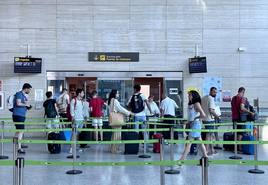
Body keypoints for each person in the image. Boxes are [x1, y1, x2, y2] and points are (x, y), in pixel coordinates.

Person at [179, 90, 208, 160]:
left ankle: (182, 159)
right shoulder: (190, 105)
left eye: (190, 95)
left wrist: (196, 118)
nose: (188, 96)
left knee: (189, 143)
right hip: (192, 124)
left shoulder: (196, 104)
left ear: (194, 96)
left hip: (196, 125)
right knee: (200, 142)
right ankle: (205, 157)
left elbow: (203, 115)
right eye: (188, 95)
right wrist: (186, 122)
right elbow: (190, 117)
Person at [108, 89, 133, 153]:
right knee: (117, 135)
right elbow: (120, 109)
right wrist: (128, 113)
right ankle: (115, 149)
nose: (118, 94)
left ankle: (112, 148)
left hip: (112, 119)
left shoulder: (111, 100)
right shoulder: (115, 101)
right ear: (114, 94)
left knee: (114, 134)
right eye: (117, 93)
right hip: (116, 120)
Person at [12, 83, 32, 154]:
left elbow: (23, 104)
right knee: (21, 130)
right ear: (26, 88)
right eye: (29, 89)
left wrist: (27, 107)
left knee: (18, 131)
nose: (29, 91)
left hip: (21, 115)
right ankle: (19, 148)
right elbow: (18, 103)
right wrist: (26, 104)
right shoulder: (19, 94)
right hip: (18, 115)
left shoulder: (24, 95)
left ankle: (16, 144)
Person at [201, 87, 220, 155]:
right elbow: (211, 110)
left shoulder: (203, 98)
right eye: (214, 92)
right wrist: (217, 117)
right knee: (208, 135)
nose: (215, 93)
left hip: (204, 119)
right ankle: (206, 151)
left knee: (210, 135)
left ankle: (212, 149)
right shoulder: (211, 99)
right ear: (210, 91)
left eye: (216, 92)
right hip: (209, 119)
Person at [69, 89, 89, 154]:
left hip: (81, 120)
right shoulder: (73, 100)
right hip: (76, 120)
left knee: (77, 134)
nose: (83, 94)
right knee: (73, 134)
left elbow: (82, 110)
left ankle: (75, 147)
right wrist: (73, 117)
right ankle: (71, 148)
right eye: (82, 93)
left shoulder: (82, 101)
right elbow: (71, 110)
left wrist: (84, 117)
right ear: (79, 93)